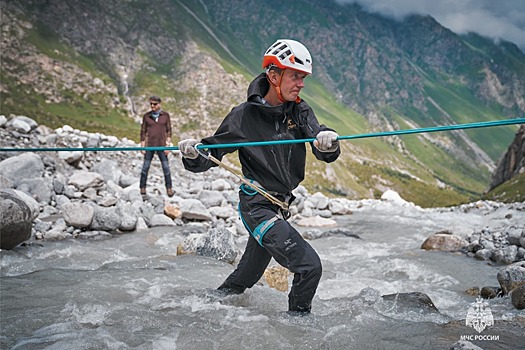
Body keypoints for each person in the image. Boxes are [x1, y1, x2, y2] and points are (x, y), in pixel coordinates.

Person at [178, 39, 340, 314]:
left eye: (303, 78)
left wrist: (328, 144)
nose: (301, 84)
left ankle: (196, 308)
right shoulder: (243, 117)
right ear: (274, 75)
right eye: (295, 76)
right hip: (257, 207)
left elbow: (322, 148)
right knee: (310, 267)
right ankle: (297, 330)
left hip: (280, 206)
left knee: (245, 278)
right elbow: (208, 157)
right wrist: (192, 154)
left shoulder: (300, 111)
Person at [139, 96, 174, 197]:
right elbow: (143, 131)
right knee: (145, 167)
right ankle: (142, 188)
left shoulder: (166, 116)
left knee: (166, 167)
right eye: (151, 104)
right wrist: (142, 144)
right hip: (149, 145)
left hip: (162, 146)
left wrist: (168, 144)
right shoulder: (146, 116)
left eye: (154, 104)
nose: (152, 106)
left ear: (159, 104)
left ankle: (169, 188)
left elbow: (169, 130)